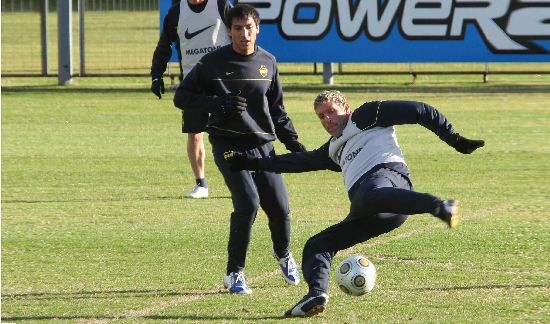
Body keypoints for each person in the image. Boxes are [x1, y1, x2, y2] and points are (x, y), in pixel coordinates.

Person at [224, 90, 485, 316]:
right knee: (318, 244)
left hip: (389, 181)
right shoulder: (333, 148)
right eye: (321, 116)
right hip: (369, 206)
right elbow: (294, 162)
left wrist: (455, 140)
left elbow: (420, 110)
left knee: (368, 194)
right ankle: (316, 295)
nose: (327, 120)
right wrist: (249, 163)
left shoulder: (367, 115)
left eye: (331, 112)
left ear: (346, 108)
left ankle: (438, 206)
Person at [173, 4, 308, 294]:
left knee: (280, 209)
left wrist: (294, 143)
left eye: (249, 27)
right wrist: (217, 104)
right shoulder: (212, 63)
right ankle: (234, 273)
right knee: (247, 203)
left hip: (262, 146)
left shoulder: (268, 62)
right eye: (237, 28)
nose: (244, 34)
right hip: (228, 144)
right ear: (229, 30)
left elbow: (277, 110)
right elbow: (182, 96)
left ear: (257, 29)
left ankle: (283, 255)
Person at [150, 0, 232, 199]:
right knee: (195, 134)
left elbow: (239, 34)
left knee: (233, 132)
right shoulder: (177, 12)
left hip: (224, 81)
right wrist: (156, 75)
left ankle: (240, 179)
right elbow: (164, 44)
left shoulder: (221, 5)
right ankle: (201, 184)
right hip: (193, 84)